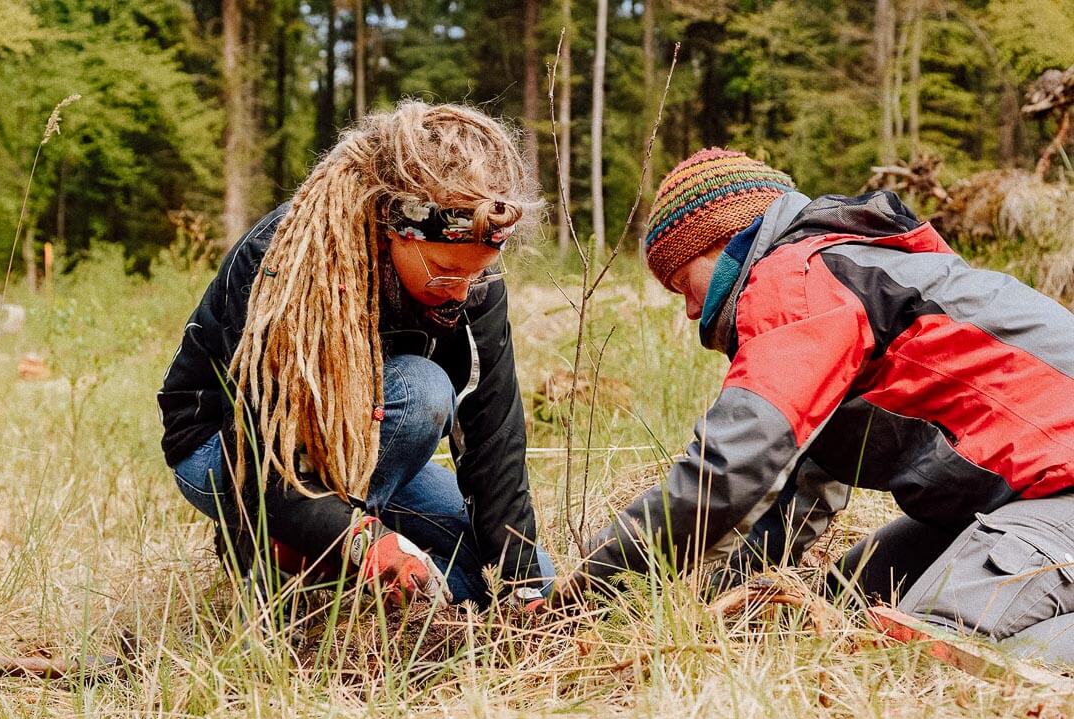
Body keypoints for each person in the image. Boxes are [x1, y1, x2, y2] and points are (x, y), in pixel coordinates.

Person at [565, 147, 1074, 661]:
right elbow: (797, 494)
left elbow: (727, 471)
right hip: (1018, 498)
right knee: (848, 606)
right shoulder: (840, 274)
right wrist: (717, 608)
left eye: (682, 283)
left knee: (924, 652)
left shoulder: (795, 277)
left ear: (724, 240)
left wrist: (586, 586)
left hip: (1059, 493)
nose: (692, 309)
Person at [158, 101, 552, 611]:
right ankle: (281, 547)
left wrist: (521, 588)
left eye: (475, 274)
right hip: (232, 456)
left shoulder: (471, 282)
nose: (460, 292)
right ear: (395, 227)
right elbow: (257, 458)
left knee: (522, 575)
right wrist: (364, 542)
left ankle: (329, 568)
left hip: (371, 449)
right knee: (422, 390)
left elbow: (493, 439)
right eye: (445, 273)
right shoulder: (288, 258)